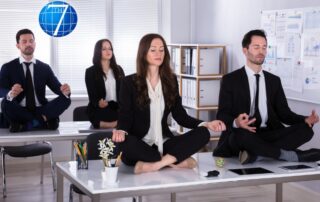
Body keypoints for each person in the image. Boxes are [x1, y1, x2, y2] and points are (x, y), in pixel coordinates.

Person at [112, 33, 226, 174]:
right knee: (125, 143)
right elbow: (125, 114)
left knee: (203, 133)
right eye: (153, 50)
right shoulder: (128, 82)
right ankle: (174, 161)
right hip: (139, 143)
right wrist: (121, 130)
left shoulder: (170, 81)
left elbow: (180, 116)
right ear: (143, 53)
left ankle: (155, 165)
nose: (158, 53)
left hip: (163, 142)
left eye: (162, 50)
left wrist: (206, 124)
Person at [213, 29, 320, 164]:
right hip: (243, 134)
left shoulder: (274, 81)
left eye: (264, 47)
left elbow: (284, 114)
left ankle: (257, 154)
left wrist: (305, 119)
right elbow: (222, 115)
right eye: (256, 47)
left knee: (306, 131)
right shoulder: (231, 80)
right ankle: (289, 155)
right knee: (241, 135)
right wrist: (236, 122)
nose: (261, 51)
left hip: (269, 133)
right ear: (245, 51)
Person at [0, 29, 71, 132]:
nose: (28, 44)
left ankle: (24, 126)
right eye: (24, 41)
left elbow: (57, 88)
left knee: (66, 98)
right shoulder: (8, 67)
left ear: (35, 44)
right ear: (18, 45)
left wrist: (65, 90)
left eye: (31, 41)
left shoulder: (44, 68)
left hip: (41, 109)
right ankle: (43, 121)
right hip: (20, 109)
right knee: (5, 103)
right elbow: (1, 89)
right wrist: (11, 93)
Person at [85, 39, 125, 129]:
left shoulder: (119, 69)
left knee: (129, 112)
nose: (108, 51)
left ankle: (106, 124)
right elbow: (92, 96)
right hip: (102, 107)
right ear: (98, 51)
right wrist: (99, 103)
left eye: (110, 48)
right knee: (93, 111)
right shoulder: (90, 71)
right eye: (104, 49)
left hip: (116, 107)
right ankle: (114, 124)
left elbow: (123, 91)